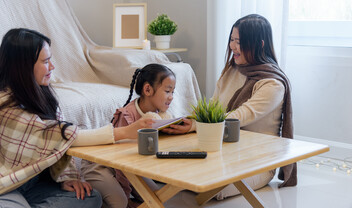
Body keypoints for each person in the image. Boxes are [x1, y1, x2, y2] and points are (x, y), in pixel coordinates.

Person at [0, 28, 154, 208]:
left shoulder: (43, 97)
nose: (52, 67)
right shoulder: (6, 106)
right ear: (23, 66)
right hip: (9, 184)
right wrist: (125, 132)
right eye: (46, 61)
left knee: (90, 197)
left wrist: (65, 178)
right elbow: (64, 137)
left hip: (36, 181)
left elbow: (57, 143)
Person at [163, 14, 297, 200]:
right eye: (232, 40)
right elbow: (212, 108)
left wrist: (195, 126)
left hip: (258, 161)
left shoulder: (273, 84)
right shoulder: (231, 71)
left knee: (209, 187)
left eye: (239, 42)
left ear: (260, 44)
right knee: (171, 170)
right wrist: (187, 121)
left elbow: (239, 117)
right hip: (223, 152)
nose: (232, 46)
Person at [81, 63, 176, 208]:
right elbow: (121, 162)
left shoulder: (159, 115)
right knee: (120, 202)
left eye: (173, 92)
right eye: (168, 91)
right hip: (101, 165)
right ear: (148, 89)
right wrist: (125, 194)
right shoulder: (127, 116)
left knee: (158, 195)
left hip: (130, 166)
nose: (171, 97)